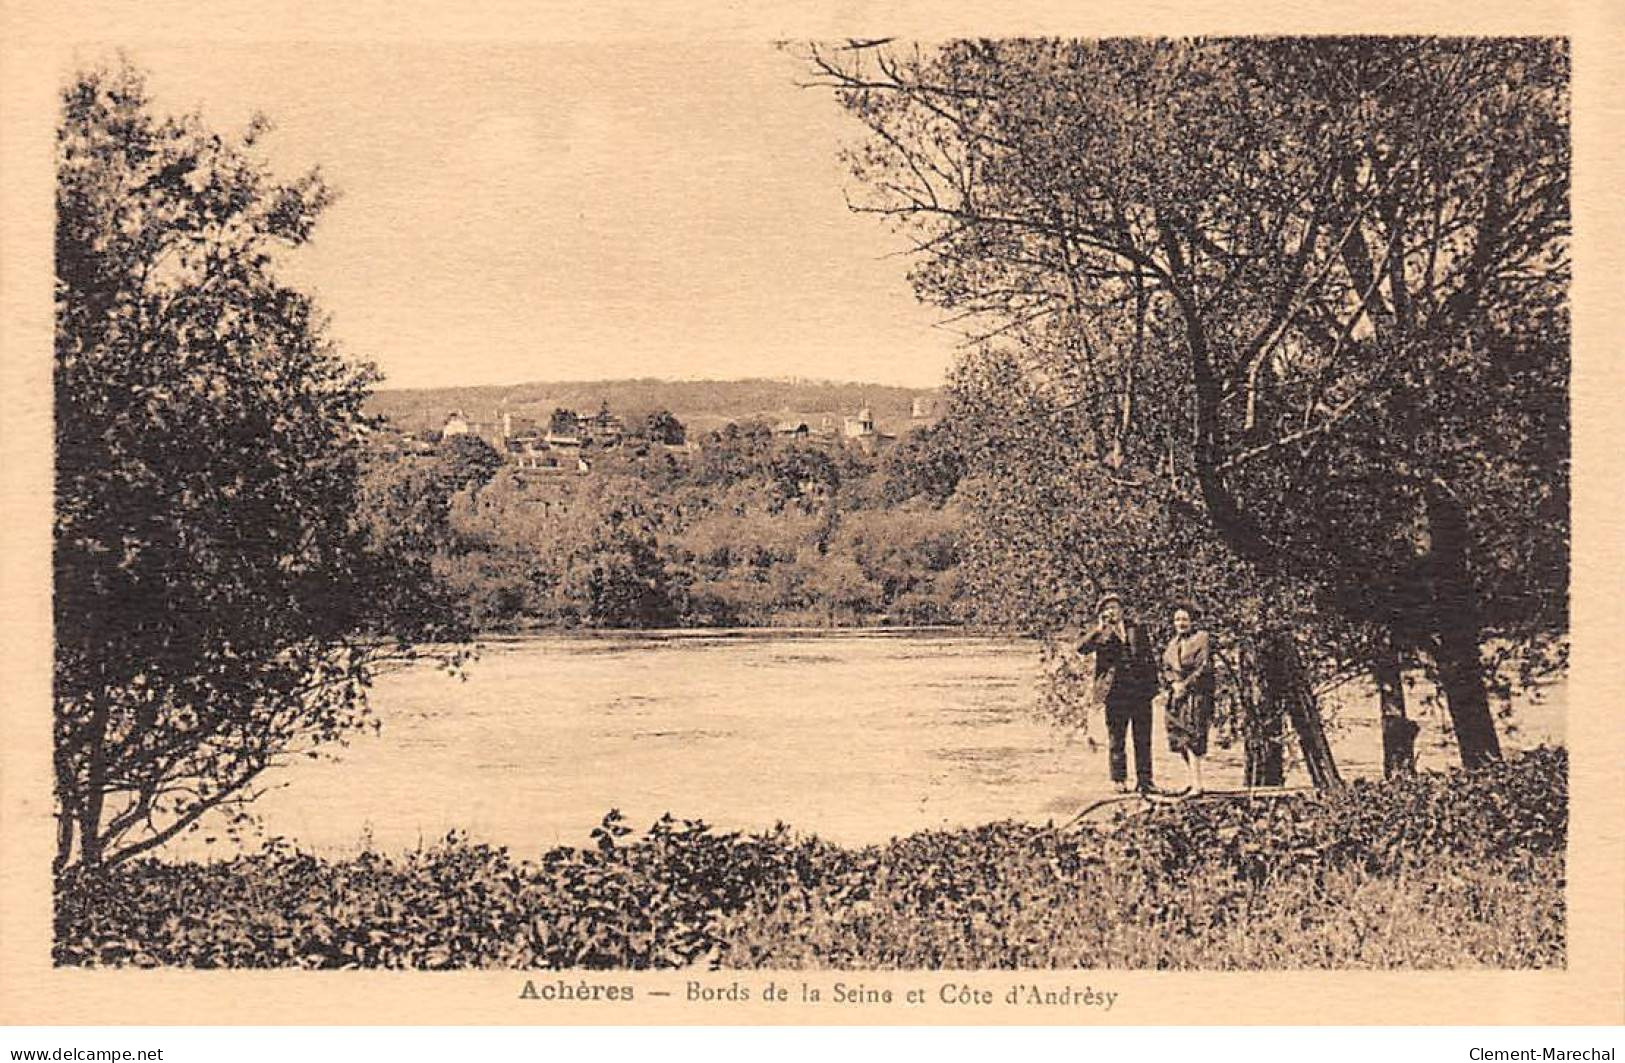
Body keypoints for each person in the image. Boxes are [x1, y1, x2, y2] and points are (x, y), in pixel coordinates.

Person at [1077, 591, 1158, 794]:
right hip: (1115, 694)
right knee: (1117, 739)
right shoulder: (1101, 633)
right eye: (1107, 609)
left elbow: (1149, 658)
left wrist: (1154, 688)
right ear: (1102, 613)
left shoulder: (1136, 629)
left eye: (1115, 607)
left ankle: (1145, 781)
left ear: (1122, 610)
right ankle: (1119, 780)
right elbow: (1081, 648)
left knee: (1143, 738)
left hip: (1140, 692)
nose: (1112, 612)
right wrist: (1099, 628)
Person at [1161, 603, 1215, 796]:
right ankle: (1193, 781)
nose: (1181, 623)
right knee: (1180, 738)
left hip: (1196, 695)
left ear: (1192, 621)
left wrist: (1186, 685)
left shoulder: (1202, 639)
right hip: (1177, 697)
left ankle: (1198, 784)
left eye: (1184, 619)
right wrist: (1174, 683)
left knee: (1193, 738)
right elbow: (1167, 667)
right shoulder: (1173, 643)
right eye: (1177, 619)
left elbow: (1204, 667)